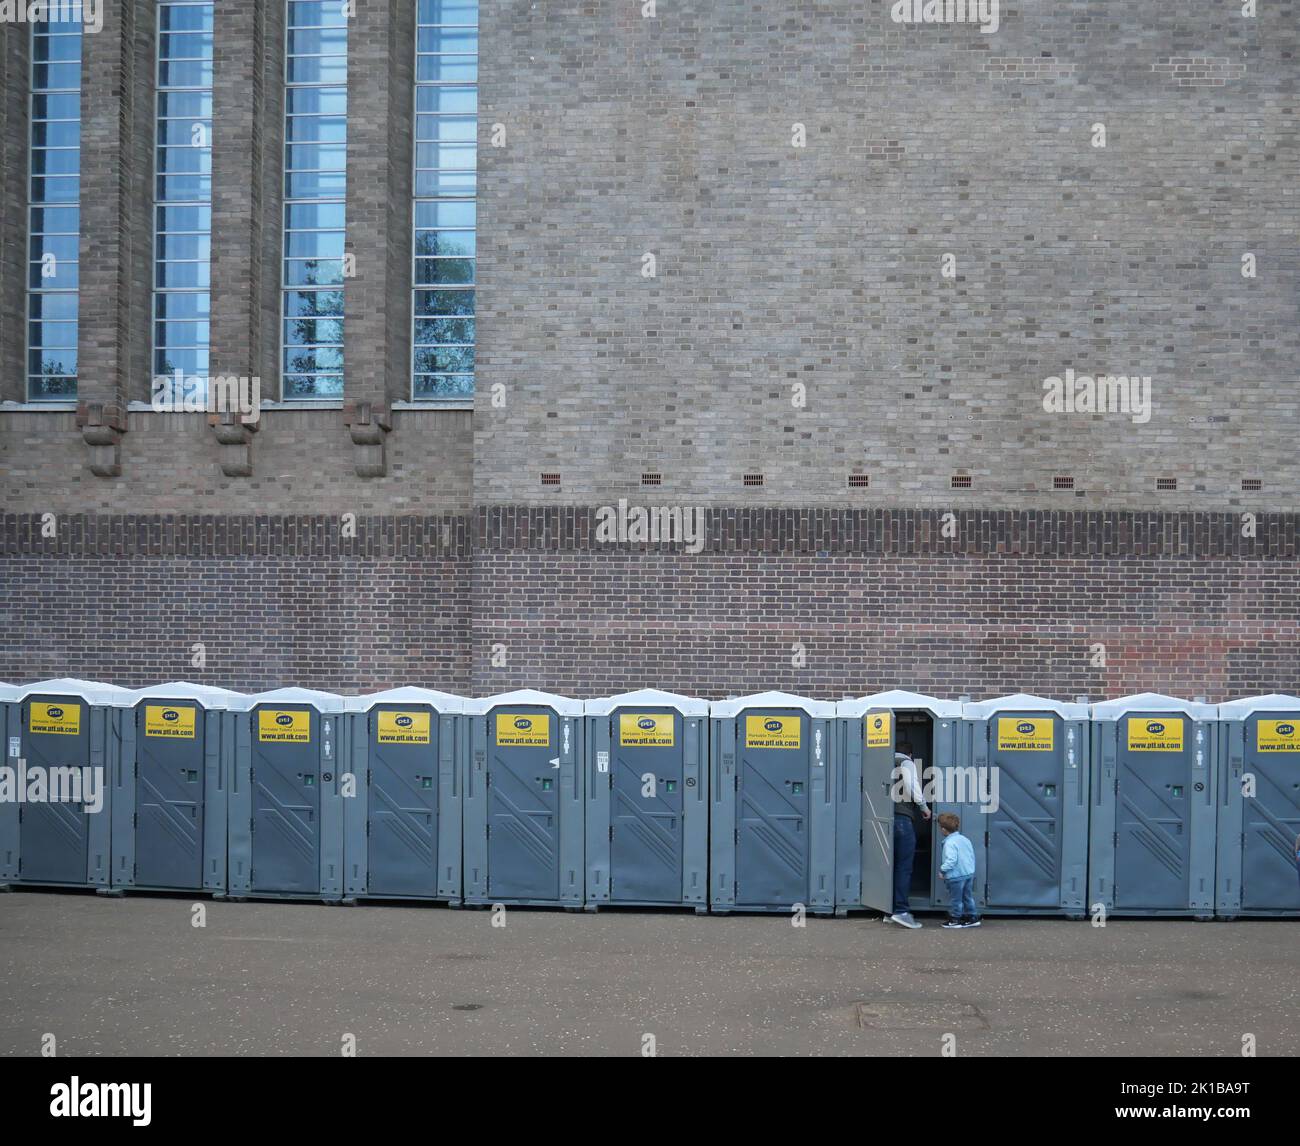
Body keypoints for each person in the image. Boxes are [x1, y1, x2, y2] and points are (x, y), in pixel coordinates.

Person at [886, 737, 930, 929]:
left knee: (888, 866)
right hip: (902, 820)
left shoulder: (881, 759)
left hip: (883, 820)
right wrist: (924, 807)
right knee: (904, 866)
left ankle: (888, 909)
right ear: (910, 754)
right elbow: (913, 786)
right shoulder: (906, 762)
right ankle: (901, 911)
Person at [937, 812, 980, 929]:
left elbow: (951, 860)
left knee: (956, 899)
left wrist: (942, 870)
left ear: (944, 830)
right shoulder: (964, 839)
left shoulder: (949, 843)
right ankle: (972, 917)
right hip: (968, 874)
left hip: (956, 876)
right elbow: (971, 855)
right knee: (968, 897)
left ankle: (955, 919)